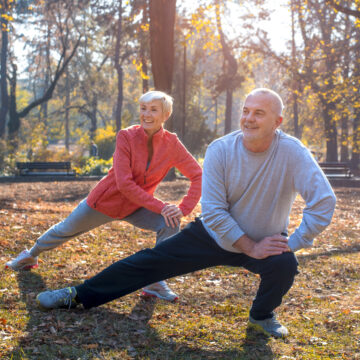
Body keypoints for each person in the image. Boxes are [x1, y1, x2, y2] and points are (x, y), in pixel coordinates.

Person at [35, 88, 336, 338]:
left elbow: (323, 201)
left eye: (259, 113)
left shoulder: (293, 152)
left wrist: (291, 243)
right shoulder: (221, 149)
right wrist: (250, 247)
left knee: (285, 266)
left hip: (265, 239)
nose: (248, 118)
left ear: (277, 121)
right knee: (148, 263)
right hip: (213, 235)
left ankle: (261, 315)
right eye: (246, 110)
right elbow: (215, 212)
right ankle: (77, 295)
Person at [6, 90, 202, 302]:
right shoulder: (126, 136)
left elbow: (198, 175)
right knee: (65, 230)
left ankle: (154, 281)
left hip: (137, 207)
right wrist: (161, 205)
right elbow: (124, 184)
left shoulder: (171, 144)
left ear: (165, 115)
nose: (146, 114)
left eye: (153, 110)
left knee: (170, 221)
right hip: (105, 203)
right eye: (143, 108)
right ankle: (30, 254)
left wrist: (182, 209)